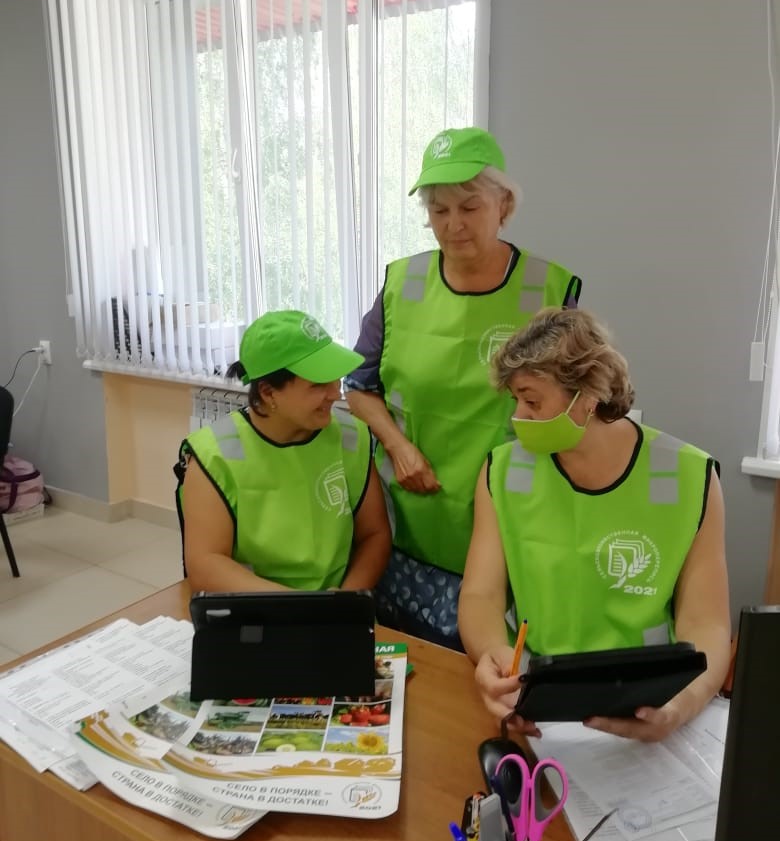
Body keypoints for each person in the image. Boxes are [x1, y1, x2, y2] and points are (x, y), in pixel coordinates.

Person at [344, 127, 582, 648]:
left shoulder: (548, 289)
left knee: (487, 662)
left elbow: (572, 406)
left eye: (470, 207)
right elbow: (358, 386)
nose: (453, 225)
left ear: (504, 205)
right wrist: (398, 446)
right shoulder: (403, 284)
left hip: (507, 506)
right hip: (408, 506)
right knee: (402, 660)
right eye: (439, 210)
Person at [458, 307, 731, 742]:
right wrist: (492, 654)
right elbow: (480, 595)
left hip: (649, 700)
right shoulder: (503, 471)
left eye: (532, 401)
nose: (518, 417)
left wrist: (680, 707)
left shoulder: (691, 477)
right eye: (515, 401)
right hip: (538, 699)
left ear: (588, 396)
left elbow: (708, 625)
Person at [177, 310, 391, 594]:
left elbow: (375, 535)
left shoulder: (351, 436)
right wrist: (296, 607)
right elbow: (205, 564)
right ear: (268, 392)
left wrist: (344, 601)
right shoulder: (213, 456)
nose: (335, 393)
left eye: (335, 379)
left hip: (338, 607)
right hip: (255, 608)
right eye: (318, 384)